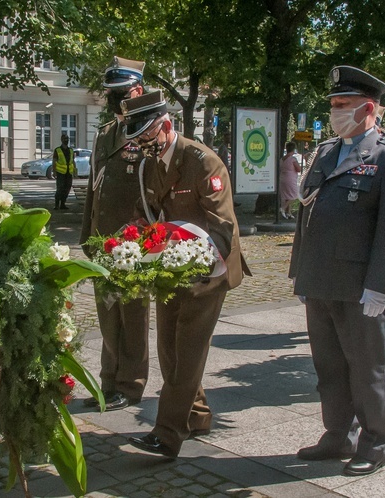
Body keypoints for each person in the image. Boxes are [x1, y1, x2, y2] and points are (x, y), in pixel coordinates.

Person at [288, 66, 385, 477]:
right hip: (320, 278)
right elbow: (307, 215)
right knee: (328, 367)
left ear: (369, 109)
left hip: (359, 285)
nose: (335, 112)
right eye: (333, 105)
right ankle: (337, 434)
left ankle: (376, 441)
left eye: (343, 105)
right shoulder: (327, 152)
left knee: (366, 368)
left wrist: (380, 286)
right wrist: (300, 273)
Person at [121, 90, 250, 458]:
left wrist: (194, 263)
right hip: (169, 271)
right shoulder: (148, 165)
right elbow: (144, 213)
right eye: (137, 135)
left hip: (208, 270)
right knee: (168, 350)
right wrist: (129, 246)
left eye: (146, 133)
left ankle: (166, 434)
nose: (142, 141)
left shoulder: (202, 161)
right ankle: (196, 415)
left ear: (165, 125)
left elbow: (223, 227)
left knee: (187, 353)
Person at [79, 56, 149, 411]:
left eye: (119, 93)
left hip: (134, 244)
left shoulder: (149, 130)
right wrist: (86, 233)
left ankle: (131, 383)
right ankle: (109, 381)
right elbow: (95, 187)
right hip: (102, 239)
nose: (112, 101)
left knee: (132, 315)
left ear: (137, 91)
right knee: (108, 313)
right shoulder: (106, 133)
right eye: (109, 94)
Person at [279, 142, 302, 219]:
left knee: (287, 196)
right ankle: (283, 208)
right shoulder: (293, 159)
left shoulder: (282, 159)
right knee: (294, 195)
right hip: (290, 179)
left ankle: (288, 212)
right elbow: (298, 169)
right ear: (293, 149)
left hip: (282, 179)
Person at [52, 134, 76, 209]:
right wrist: (54, 172)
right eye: (65, 139)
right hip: (60, 173)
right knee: (60, 189)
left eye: (67, 139)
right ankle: (56, 205)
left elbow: (73, 161)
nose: (66, 140)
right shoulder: (57, 150)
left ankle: (63, 204)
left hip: (69, 173)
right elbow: (54, 161)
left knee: (67, 188)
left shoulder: (71, 150)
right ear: (61, 140)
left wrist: (75, 171)